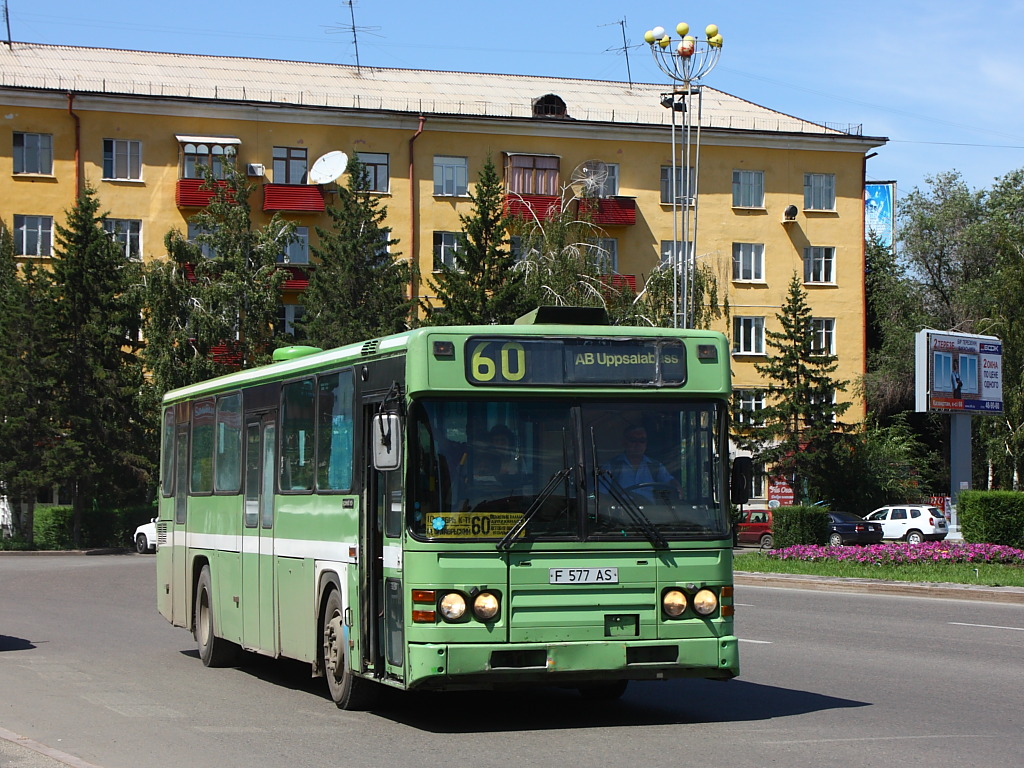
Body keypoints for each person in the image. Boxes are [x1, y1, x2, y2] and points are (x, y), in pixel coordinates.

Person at [600, 425, 681, 501]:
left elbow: (670, 483)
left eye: (642, 440)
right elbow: (601, 495)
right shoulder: (610, 467)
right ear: (624, 443)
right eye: (633, 440)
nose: (638, 444)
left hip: (651, 513)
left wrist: (677, 488)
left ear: (646, 444)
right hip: (620, 514)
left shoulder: (655, 466)